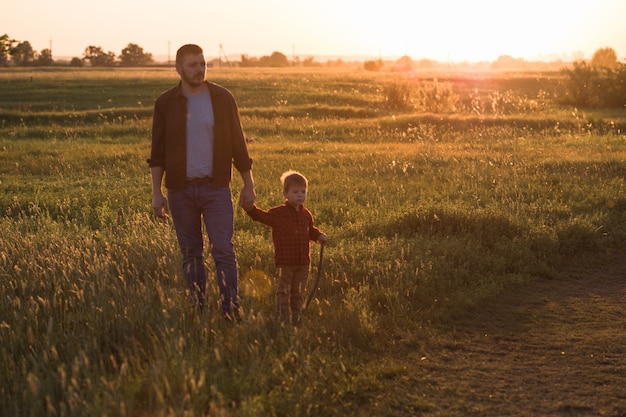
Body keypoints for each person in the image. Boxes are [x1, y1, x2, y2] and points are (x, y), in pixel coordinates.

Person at [149, 44, 255, 322]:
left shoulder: (222, 98)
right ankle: (198, 308)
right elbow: (157, 152)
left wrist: (248, 184)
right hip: (180, 190)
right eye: (193, 65)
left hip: (216, 187)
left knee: (223, 250)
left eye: (203, 63)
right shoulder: (166, 102)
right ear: (179, 68)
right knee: (191, 254)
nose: (200, 69)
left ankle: (230, 311)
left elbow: (238, 143)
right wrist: (156, 193)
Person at [239, 170, 327, 324]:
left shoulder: (306, 214)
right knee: (284, 291)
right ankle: (283, 318)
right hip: (285, 261)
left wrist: (319, 236)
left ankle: (296, 316)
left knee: (298, 291)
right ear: (285, 193)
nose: (300, 195)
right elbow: (262, 216)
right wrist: (249, 208)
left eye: (303, 191)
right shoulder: (278, 213)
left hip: (303, 263)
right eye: (295, 192)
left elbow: (310, 231)